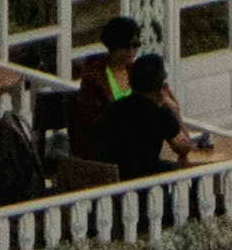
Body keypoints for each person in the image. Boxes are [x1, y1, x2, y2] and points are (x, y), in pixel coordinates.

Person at [72, 15, 183, 179]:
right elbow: (92, 124)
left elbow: (166, 101)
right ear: (112, 45)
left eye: (136, 45)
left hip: (141, 146)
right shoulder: (95, 77)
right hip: (108, 155)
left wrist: (171, 109)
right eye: (125, 46)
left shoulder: (139, 70)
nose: (131, 51)